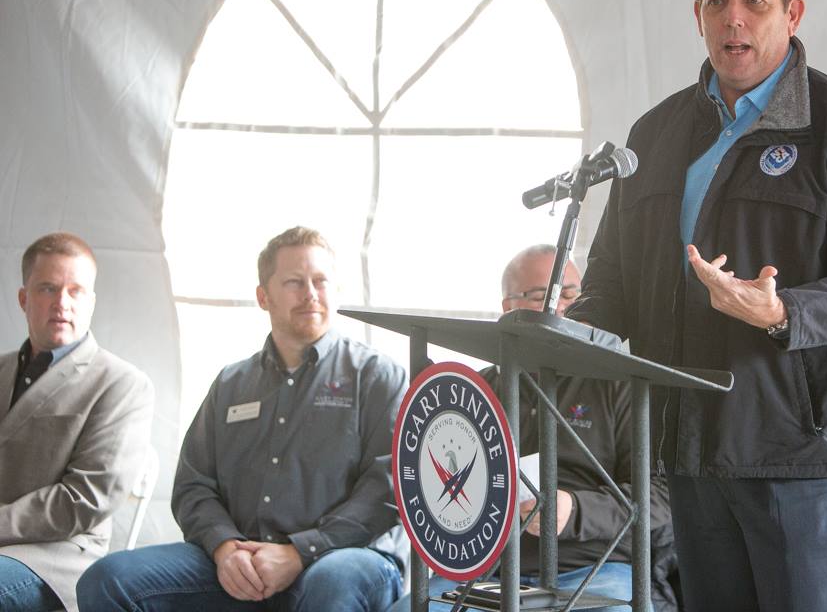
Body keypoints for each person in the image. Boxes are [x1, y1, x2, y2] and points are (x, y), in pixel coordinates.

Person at [564, 0, 827, 612]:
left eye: (755, 1)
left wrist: (782, 314)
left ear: (793, 13)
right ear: (698, 15)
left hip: (813, 460)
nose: (735, 19)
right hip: (693, 453)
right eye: (717, 2)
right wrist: (551, 331)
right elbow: (612, 282)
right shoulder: (653, 136)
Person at [78, 226, 408, 611]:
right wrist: (223, 547)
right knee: (108, 580)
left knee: (331, 583)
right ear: (262, 297)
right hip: (241, 559)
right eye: (294, 282)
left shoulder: (377, 377)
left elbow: (387, 492)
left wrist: (300, 552)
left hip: (344, 556)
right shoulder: (232, 384)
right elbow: (193, 484)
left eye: (321, 280)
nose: (311, 293)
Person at [419, 245, 675, 612]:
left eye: (571, 293)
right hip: (484, 571)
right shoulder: (474, 391)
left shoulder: (622, 386)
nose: (562, 307)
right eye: (543, 296)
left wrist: (574, 511)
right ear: (508, 308)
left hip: (594, 567)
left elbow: (663, 498)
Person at [0, 232, 154, 612]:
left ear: (92, 301)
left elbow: (85, 499)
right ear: (23, 299)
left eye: (76, 291)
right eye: (48, 288)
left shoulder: (122, 384)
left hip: (57, 556)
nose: (62, 303)